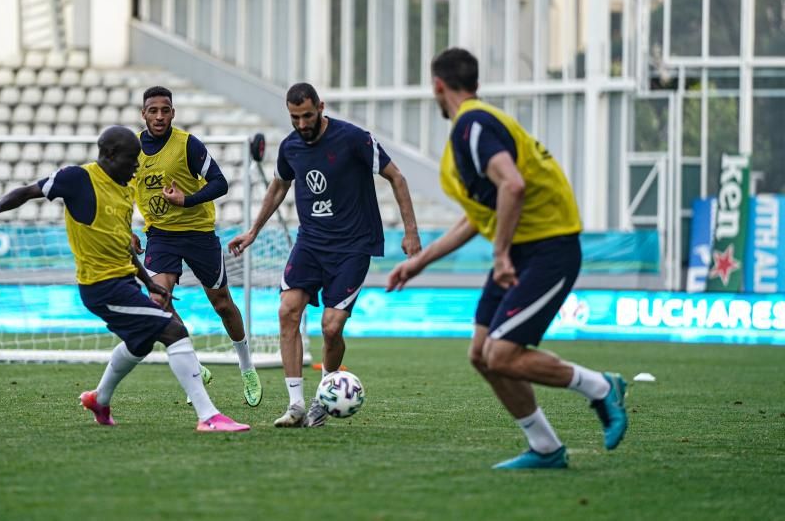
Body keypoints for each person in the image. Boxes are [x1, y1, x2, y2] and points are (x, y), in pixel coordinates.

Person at [386, 48, 627, 469]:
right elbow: (482, 215)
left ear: (437, 86)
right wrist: (419, 261)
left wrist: (499, 255)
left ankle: (602, 388)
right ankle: (546, 448)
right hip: (524, 248)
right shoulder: (474, 128)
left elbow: (512, 186)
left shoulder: (473, 125)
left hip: (548, 248)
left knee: (501, 354)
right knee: (482, 353)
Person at [0, 126, 249, 432]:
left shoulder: (126, 189)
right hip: (100, 287)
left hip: (124, 281)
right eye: (131, 160)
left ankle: (99, 399)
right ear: (110, 155)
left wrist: (148, 281)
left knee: (139, 344)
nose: (136, 167)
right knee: (174, 330)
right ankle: (208, 417)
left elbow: (121, 244)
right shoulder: (77, 178)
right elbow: (28, 191)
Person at [229, 83, 421, 428]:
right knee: (287, 310)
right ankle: (296, 405)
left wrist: (411, 233)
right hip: (311, 243)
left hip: (352, 247)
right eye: (294, 118)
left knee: (331, 328)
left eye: (307, 115)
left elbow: (397, 177)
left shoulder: (354, 139)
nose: (302, 124)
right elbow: (278, 188)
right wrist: (253, 230)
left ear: (321, 107)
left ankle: (324, 394)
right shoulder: (290, 147)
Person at [133, 86, 262, 407]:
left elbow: (220, 182)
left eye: (165, 110)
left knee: (222, 304)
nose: (159, 116)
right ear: (144, 114)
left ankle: (246, 366)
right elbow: (120, 189)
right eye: (153, 110)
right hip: (160, 235)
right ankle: (194, 366)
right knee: (157, 301)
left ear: (173, 113)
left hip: (199, 235)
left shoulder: (187, 145)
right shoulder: (131, 148)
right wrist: (125, 229)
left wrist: (186, 200)